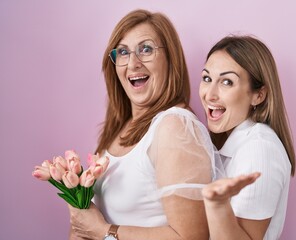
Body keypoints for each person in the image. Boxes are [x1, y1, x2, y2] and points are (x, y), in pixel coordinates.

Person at [68, 9, 222, 240]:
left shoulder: (174, 127)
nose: (133, 63)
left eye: (146, 49)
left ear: (170, 58)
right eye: (122, 52)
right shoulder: (118, 128)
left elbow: (191, 237)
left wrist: (105, 232)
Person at [199, 35, 296, 240]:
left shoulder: (260, 149)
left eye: (226, 82)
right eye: (207, 78)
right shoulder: (229, 142)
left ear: (258, 95)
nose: (210, 94)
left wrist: (218, 206)